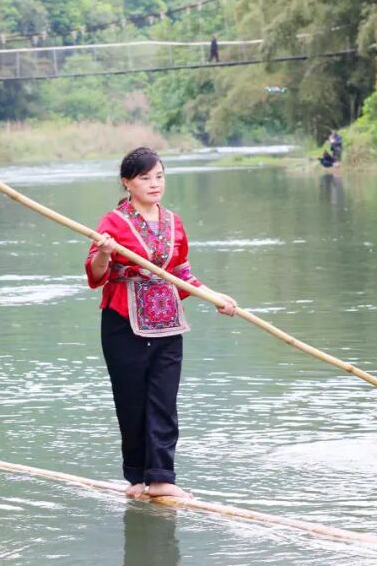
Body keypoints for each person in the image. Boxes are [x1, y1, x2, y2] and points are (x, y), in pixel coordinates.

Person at [86, 147, 237, 500]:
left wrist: (216, 298)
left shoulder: (174, 222)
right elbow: (96, 275)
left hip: (167, 322)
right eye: (145, 178)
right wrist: (105, 252)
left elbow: (182, 274)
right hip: (123, 322)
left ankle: (162, 477)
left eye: (160, 176)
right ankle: (138, 479)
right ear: (127, 183)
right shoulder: (113, 223)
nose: (155, 184)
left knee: (164, 401)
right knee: (131, 400)